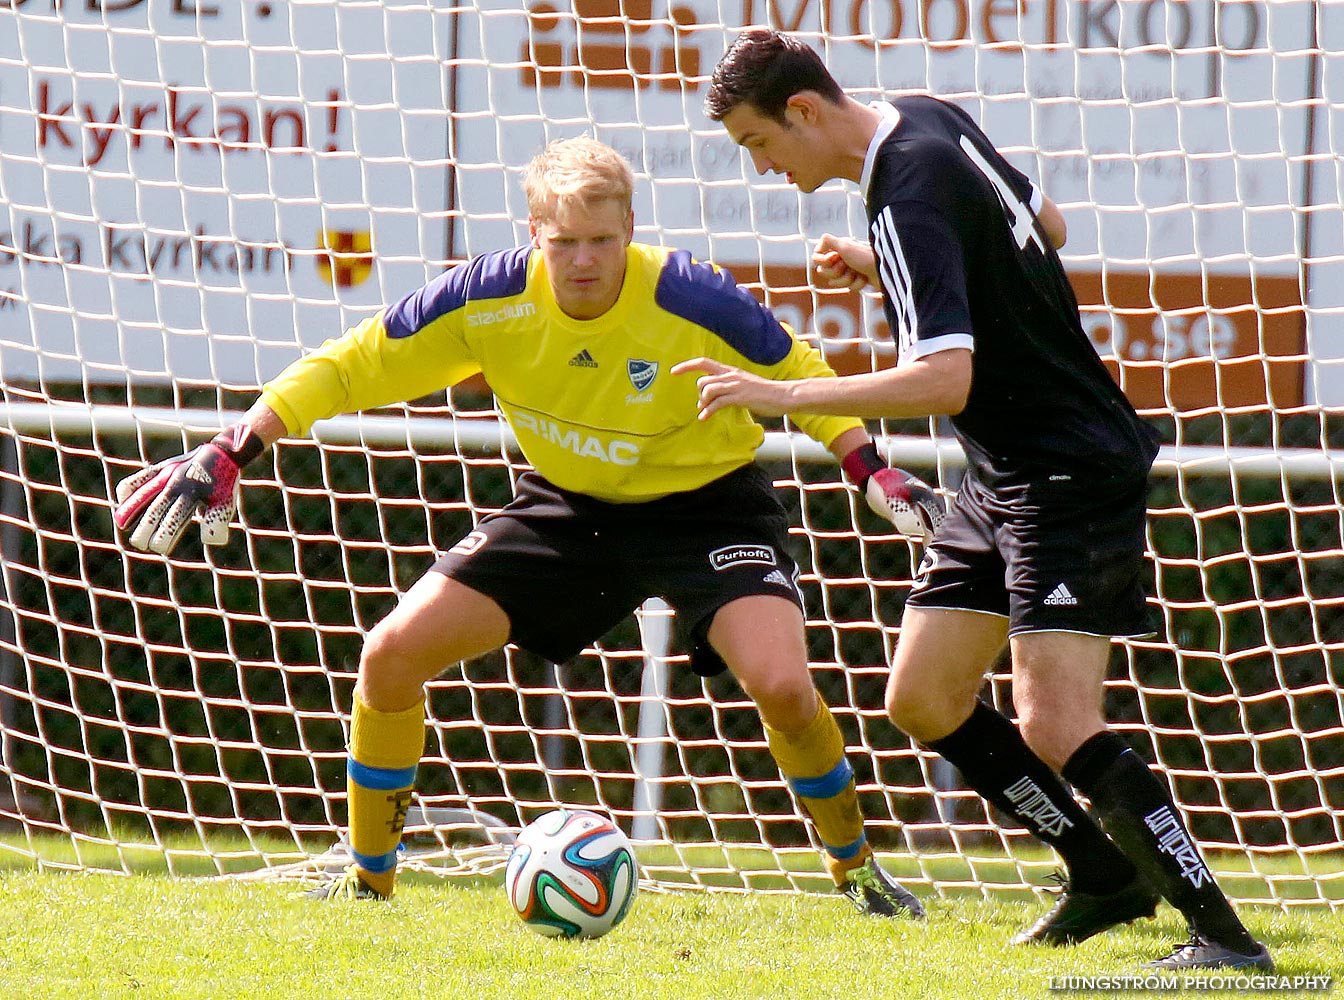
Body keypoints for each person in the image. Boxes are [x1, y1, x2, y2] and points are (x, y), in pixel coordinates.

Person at [111, 136, 939, 916]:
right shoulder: (487, 298)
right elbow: (351, 364)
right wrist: (234, 445)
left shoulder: (689, 295)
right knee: (391, 655)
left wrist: (868, 464)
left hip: (708, 505)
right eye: (564, 241)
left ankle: (857, 871)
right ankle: (368, 882)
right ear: (534, 234)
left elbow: (798, 368)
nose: (584, 260)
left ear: (630, 232)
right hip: (566, 508)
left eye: (602, 241)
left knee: (785, 686)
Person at [680, 29, 1273, 971]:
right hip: (1004, 469)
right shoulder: (926, 118)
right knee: (923, 696)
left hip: (1067, 468)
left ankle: (1223, 941)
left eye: (759, 144)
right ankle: (1100, 876)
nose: (762, 167)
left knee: (1055, 720)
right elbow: (1052, 230)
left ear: (802, 111)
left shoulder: (904, 193)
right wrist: (892, 273)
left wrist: (785, 395)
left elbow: (944, 380)